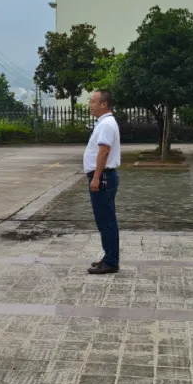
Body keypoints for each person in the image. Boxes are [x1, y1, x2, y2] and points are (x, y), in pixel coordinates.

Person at [84, 89, 122, 275]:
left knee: (106, 221)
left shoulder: (106, 124)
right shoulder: (104, 123)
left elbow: (104, 152)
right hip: (104, 176)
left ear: (103, 104)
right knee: (105, 220)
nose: (90, 105)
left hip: (103, 177)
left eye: (92, 101)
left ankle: (111, 261)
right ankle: (108, 257)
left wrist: (97, 177)